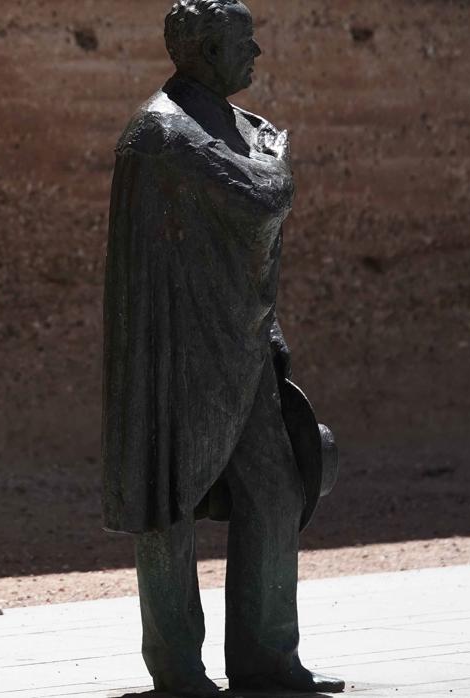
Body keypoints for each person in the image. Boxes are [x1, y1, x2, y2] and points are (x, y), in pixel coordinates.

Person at [101, 1, 344, 695]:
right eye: (244, 40)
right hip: (176, 355)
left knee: (273, 493)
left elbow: (253, 228)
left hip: (244, 348)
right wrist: (273, 160)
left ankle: (268, 657)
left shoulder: (240, 127)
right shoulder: (159, 133)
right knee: (168, 503)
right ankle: (176, 668)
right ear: (203, 50)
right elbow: (262, 199)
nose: (257, 51)